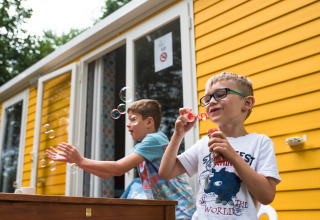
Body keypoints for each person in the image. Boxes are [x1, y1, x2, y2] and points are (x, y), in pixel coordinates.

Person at [46, 99, 196, 219]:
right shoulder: (143, 147)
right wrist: (76, 161)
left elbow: (118, 168)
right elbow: (107, 174)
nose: (128, 124)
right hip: (172, 211)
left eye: (133, 119)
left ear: (149, 122)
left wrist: (80, 160)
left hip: (182, 210)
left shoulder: (154, 139)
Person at [159, 72, 281, 219]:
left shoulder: (260, 142)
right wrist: (178, 134)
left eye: (220, 94)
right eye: (207, 98)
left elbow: (267, 196)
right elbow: (166, 172)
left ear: (247, 103)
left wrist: (234, 157)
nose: (211, 102)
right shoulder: (204, 143)